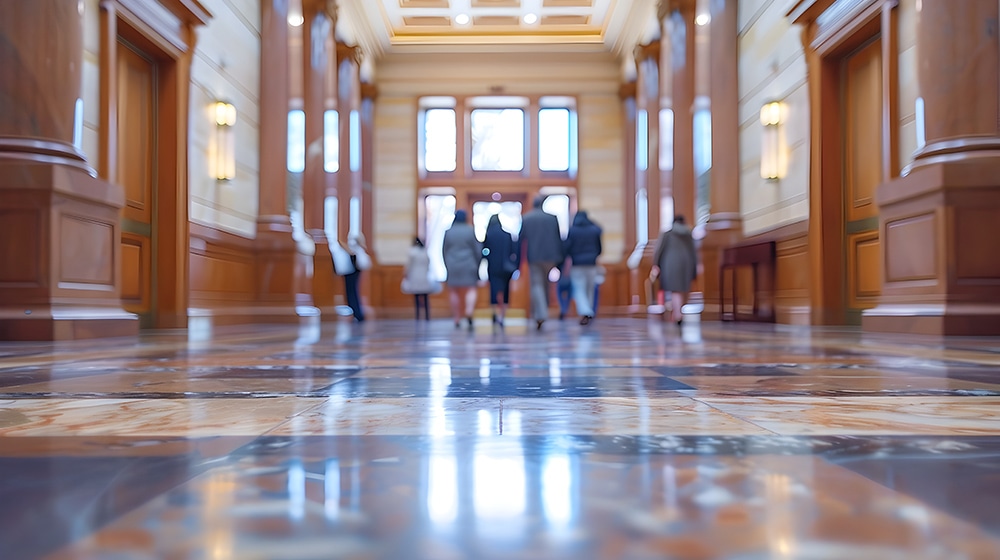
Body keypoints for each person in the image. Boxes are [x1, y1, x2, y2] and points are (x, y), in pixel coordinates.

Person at [520, 195, 564, 329]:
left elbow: (521, 240)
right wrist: (560, 258)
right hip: (551, 257)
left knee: (537, 284)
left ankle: (540, 313)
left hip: (535, 256)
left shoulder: (527, 218)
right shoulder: (552, 218)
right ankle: (542, 310)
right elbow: (558, 239)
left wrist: (518, 260)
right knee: (545, 283)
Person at [651, 215, 698, 325]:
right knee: (684, 289)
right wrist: (695, 268)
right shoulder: (688, 234)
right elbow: (694, 252)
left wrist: (656, 264)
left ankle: (677, 314)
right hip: (687, 263)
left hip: (670, 263)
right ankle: (680, 311)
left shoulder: (667, 234)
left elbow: (659, 250)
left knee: (675, 290)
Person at [441, 209, 482, 329]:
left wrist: (447, 265)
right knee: (471, 289)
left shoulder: (448, 232)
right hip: (469, 264)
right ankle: (469, 311)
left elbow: (444, 250)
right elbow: (477, 250)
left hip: (452, 264)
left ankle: (457, 318)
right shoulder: (470, 230)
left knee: (454, 291)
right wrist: (478, 265)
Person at [563, 210, 602, 325]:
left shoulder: (573, 231)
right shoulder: (594, 230)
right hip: (591, 264)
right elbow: (599, 248)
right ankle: (589, 311)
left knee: (579, 289)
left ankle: (585, 310)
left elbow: (567, 248)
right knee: (590, 288)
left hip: (577, 264)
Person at [482, 214, 520, 327]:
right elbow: (514, 251)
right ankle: (502, 315)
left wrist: (486, 259)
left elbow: (484, 250)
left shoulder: (489, 235)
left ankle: (494, 312)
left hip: (493, 266)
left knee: (494, 290)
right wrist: (515, 265)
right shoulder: (507, 235)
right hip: (506, 268)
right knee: (505, 290)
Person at [401, 237, 435, 321]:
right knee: (425, 297)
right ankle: (427, 315)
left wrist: (405, 273)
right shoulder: (425, 252)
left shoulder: (412, 252)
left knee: (416, 296)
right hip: (424, 276)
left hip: (414, 276)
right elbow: (428, 263)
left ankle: (418, 315)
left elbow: (408, 265)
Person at [344, 233, 371, 322]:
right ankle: (357, 313)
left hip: (351, 273)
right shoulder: (361, 250)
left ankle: (357, 314)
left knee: (352, 293)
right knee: (354, 292)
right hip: (355, 273)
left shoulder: (353, 249)